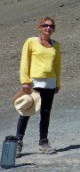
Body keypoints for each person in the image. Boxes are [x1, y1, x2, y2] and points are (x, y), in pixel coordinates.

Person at [15, 16, 61, 157]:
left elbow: (57, 66)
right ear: (39, 27)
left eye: (51, 26)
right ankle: (18, 142)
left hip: (50, 83)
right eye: (45, 25)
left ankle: (43, 142)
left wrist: (58, 83)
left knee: (45, 114)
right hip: (34, 83)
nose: (48, 28)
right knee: (26, 111)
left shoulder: (56, 45)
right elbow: (25, 62)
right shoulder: (31, 42)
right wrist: (25, 81)